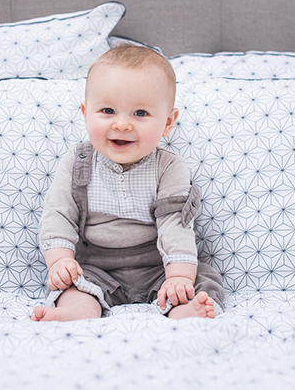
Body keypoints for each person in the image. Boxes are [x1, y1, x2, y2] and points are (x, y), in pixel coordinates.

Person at [31, 44, 224, 322]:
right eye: (108, 110)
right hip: (97, 265)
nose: (122, 124)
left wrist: (178, 276)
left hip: (158, 263)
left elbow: (175, 224)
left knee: (199, 280)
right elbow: (58, 213)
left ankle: (185, 310)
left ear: (168, 122)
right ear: (86, 113)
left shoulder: (168, 166)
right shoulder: (77, 162)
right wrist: (60, 260)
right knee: (75, 286)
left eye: (140, 114)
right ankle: (75, 312)